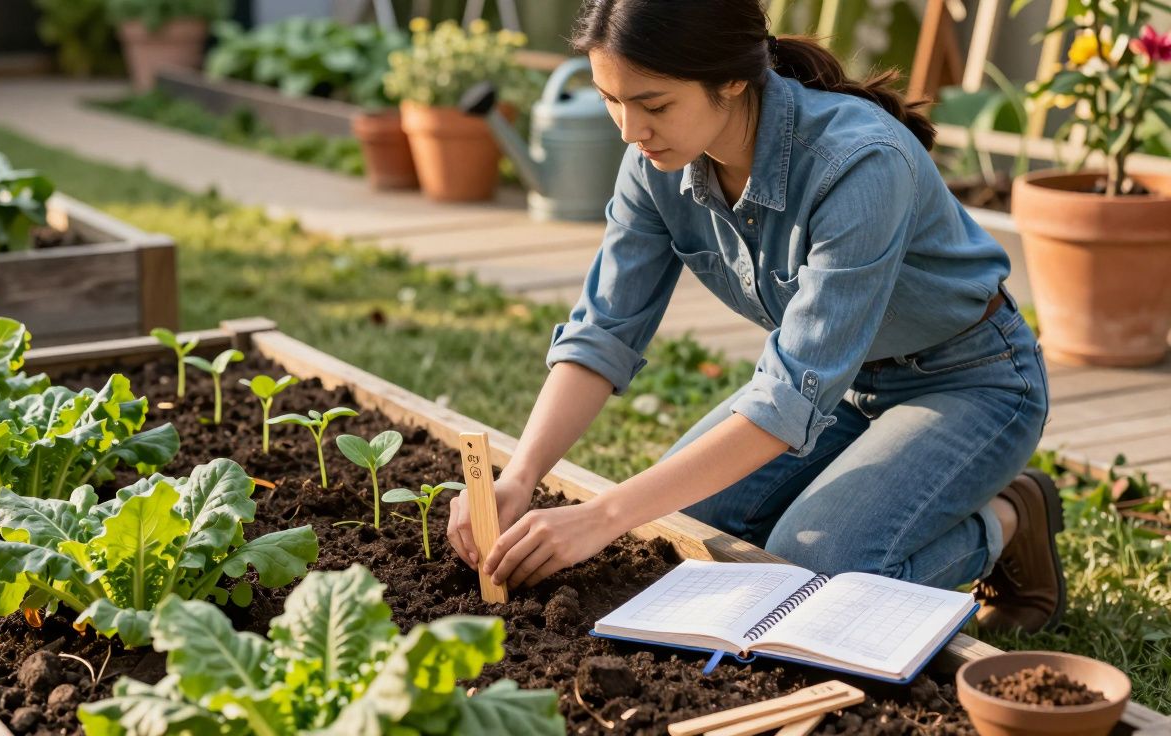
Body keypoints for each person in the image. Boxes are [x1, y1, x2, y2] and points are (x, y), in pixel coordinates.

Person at [446, 0, 1064, 633]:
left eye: (654, 105)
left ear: (733, 79)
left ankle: (1011, 515)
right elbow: (604, 331)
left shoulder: (859, 163)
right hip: (845, 387)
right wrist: (519, 476)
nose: (630, 130)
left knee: (807, 569)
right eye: (612, 100)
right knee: (692, 533)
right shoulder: (653, 166)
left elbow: (790, 395)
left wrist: (602, 516)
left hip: (969, 380)